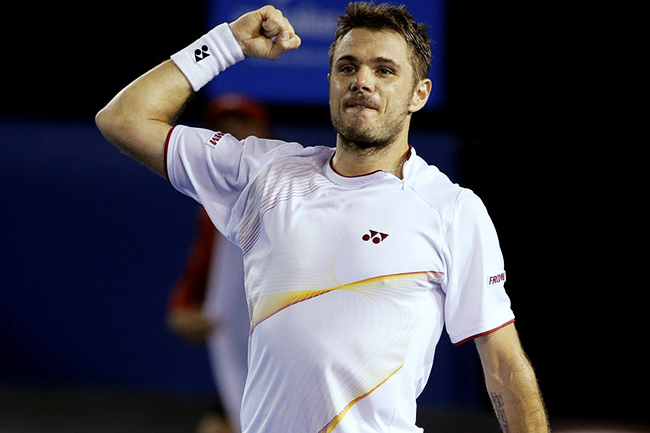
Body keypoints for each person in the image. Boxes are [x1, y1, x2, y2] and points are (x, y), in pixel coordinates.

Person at [96, 2, 549, 432]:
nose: (362, 81)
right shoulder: (263, 173)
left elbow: (504, 365)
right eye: (348, 67)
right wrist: (226, 43)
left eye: (384, 70)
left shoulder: (452, 210)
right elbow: (123, 119)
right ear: (331, 81)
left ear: (419, 94)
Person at [167, 95, 272, 433]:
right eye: (222, 132)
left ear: (263, 132)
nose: (232, 137)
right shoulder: (215, 205)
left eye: (241, 128)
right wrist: (184, 305)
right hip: (241, 349)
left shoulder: (293, 188)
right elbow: (202, 264)